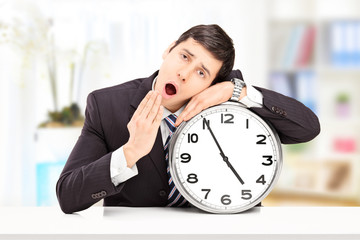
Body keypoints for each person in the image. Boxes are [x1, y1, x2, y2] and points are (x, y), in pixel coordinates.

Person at [56, 24, 320, 214]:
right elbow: (68, 196)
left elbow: (308, 128)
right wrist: (129, 152)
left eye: (201, 73)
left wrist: (238, 91)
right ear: (169, 49)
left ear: (212, 84)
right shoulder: (106, 106)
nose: (184, 74)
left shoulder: (232, 101)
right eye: (184, 56)